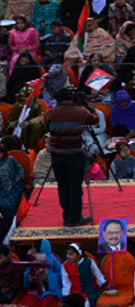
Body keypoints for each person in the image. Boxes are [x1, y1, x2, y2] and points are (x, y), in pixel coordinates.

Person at [46, 90, 98, 227]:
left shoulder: (50, 113)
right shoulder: (80, 111)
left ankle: (66, 214)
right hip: (74, 153)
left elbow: (47, 126)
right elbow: (95, 119)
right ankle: (75, 218)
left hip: (57, 154)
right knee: (75, 186)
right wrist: (87, 106)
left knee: (63, 185)